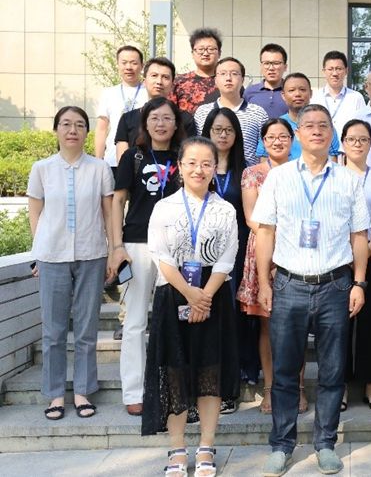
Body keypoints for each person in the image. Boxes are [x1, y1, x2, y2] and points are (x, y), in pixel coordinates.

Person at [253, 104, 369, 477]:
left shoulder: (349, 180)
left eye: (323, 125)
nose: (316, 131)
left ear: (332, 134)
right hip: (289, 285)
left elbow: (359, 236)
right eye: (309, 126)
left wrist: (359, 282)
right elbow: (265, 232)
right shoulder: (279, 178)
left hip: (335, 286)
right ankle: (282, 445)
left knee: (332, 372)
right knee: (285, 371)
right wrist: (264, 283)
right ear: (298, 134)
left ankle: (325, 444)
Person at [141, 136, 240, 477]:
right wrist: (190, 294)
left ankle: (207, 445)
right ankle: (178, 448)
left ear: (215, 168)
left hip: (214, 293)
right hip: (173, 292)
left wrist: (204, 296)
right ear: (180, 168)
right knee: (175, 372)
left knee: (210, 371)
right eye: (192, 163)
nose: (199, 169)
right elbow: (161, 256)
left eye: (206, 163)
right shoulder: (164, 208)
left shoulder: (225, 209)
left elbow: (227, 259)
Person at [28, 107, 115, 422]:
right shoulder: (41, 169)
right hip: (52, 256)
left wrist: (112, 251)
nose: (72, 130)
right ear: (56, 130)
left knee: (86, 330)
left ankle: (82, 392)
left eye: (79, 125)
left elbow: (109, 213)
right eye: (66, 124)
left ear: (87, 132)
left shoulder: (100, 168)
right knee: (53, 332)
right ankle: (55, 394)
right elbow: (35, 213)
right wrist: (38, 252)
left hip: (92, 255)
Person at [110, 98, 186, 417]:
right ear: (145, 123)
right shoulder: (133, 156)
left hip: (177, 246)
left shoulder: (185, 155)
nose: (160, 124)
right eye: (154, 118)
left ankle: (174, 387)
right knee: (135, 321)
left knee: (176, 320)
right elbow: (117, 202)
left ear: (176, 123)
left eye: (167, 118)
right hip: (138, 243)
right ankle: (134, 390)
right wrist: (117, 246)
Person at [237, 119, 295, 416]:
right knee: (266, 325)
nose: (277, 141)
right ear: (262, 141)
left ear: (292, 139)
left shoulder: (301, 171)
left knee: (297, 325)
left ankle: (296, 388)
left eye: (283, 136)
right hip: (262, 247)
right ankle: (270, 387)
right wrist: (274, 248)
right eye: (271, 137)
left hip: (296, 251)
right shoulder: (253, 173)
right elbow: (251, 217)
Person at [201, 107, 253, 412]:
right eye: (217, 130)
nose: (222, 135)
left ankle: (232, 383)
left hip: (238, 252)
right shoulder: (198, 169)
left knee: (234, 317)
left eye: (228, 130)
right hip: (204, 254)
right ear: (207, 132)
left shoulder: (245, 171)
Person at [340, 119, 371, 412]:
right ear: (343, 143)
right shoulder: (333, 175)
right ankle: (342, 385)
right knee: (339, 324)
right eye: (351, 139)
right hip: (339, 258)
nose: (357, 144)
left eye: (363, 139)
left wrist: (369, 249)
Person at [114, 57, 194, 167]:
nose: (159, 82)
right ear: (144, 81)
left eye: (165, 77)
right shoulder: (128, 118)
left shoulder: (185, 118)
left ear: (172, 85)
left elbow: (191, 156)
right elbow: (123, 161)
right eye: (154, 76)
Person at [194, 57, 269, 166]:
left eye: (234, 74)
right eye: (223, 74)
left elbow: (265, 151)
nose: (228, 78)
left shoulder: (258, 113)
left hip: (247, 173)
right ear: (215, 80)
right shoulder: (202, 112)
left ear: (242, 80)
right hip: (210, 172)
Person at [254, 73, 342, 163]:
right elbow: (264, 161)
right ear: (283, 95)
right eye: (291, 90)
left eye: (302, 90)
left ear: (311, 93)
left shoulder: (324, 127)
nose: (298, 94)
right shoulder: (274, 127)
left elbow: (332, 160)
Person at [94, 45, 148, 171]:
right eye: (124, 63)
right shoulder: (109, 94)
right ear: (117, 64)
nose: (129, 67)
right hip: (113, 160)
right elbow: (102, 129)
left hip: (144, 158)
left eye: (134, 63)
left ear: (142, 66)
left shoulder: (149, 93)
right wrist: (98, 160)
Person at [311, 50, 366, 133]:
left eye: (339, 69)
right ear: (324, 72)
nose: (335, 73)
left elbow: (363, 127)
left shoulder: (356, 98)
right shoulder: (314, 98)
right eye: (330, 69)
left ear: (346, 71)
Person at [171, 27, 222, 114]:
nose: (205, 53)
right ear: (192, 53)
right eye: (200, 49)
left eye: (210, 49)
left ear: (219, 53)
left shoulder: (228, 81)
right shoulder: (179, 82)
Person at [243, 43, 289, 119]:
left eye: (276, 63)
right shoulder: (249, 92)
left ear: (285, 67)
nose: (271, 68)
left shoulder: (291, 91)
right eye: (266, 63)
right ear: (261, 66)